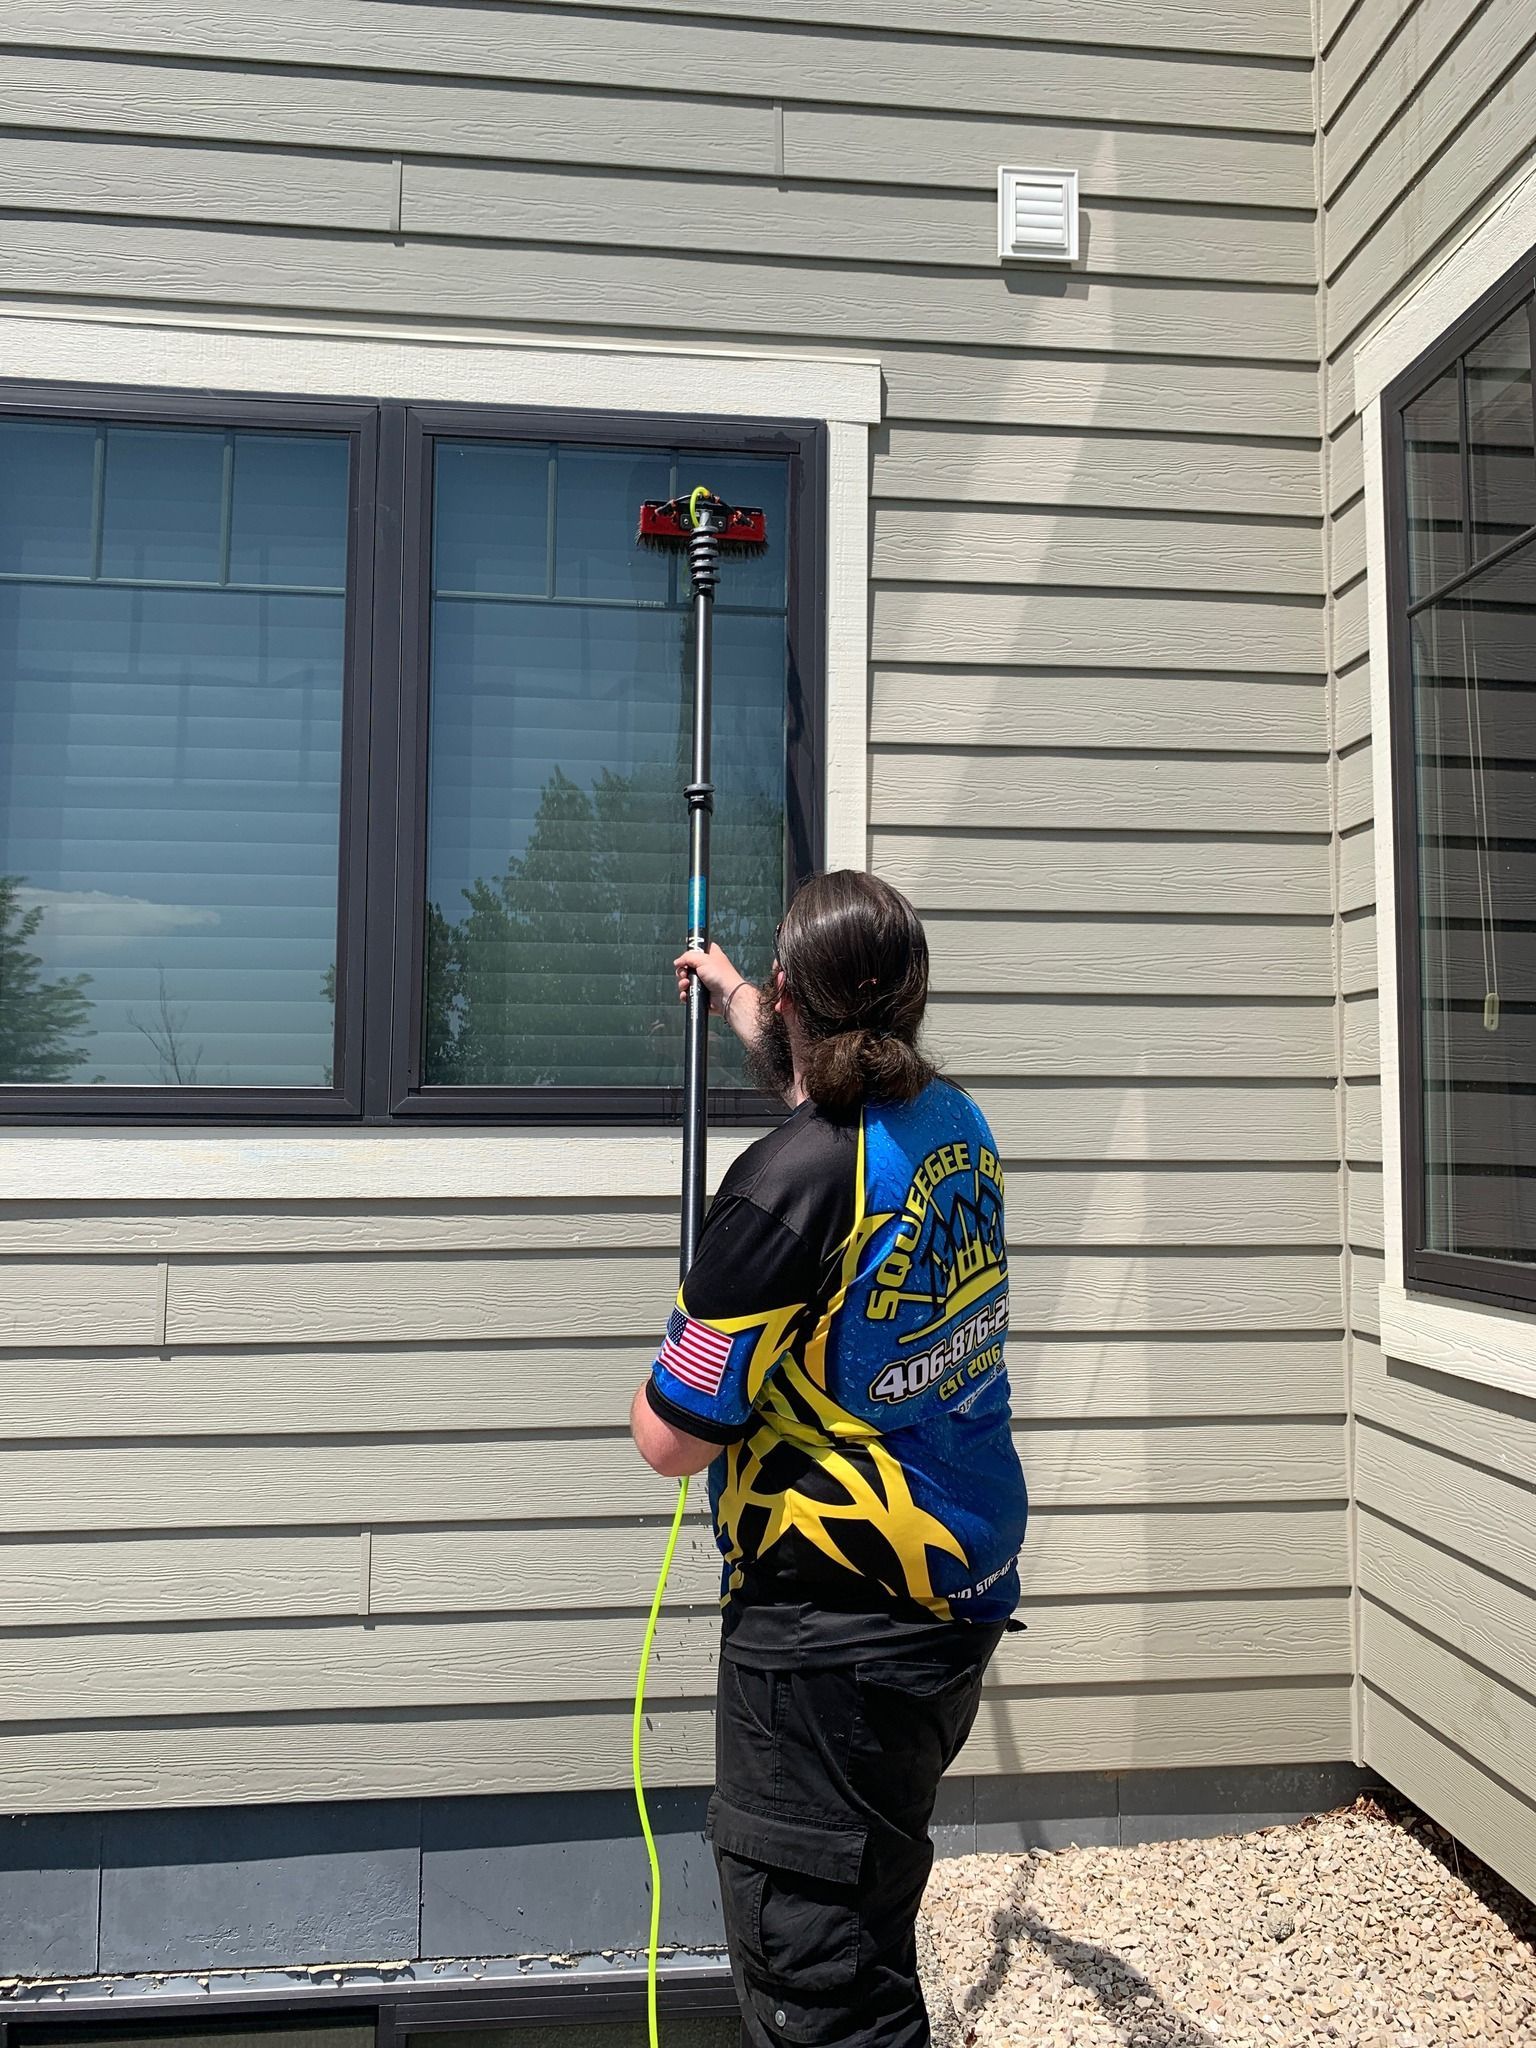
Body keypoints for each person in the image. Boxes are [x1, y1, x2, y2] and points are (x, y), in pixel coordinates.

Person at [629, 869, 1029, 2048]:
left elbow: (667, 1438)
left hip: (829, 1651)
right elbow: (833, 1067)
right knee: (866, 1914)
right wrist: (734, 990)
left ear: (804, 995)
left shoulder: (785, 1184)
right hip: (945, 1602)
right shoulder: (955, 1122)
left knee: (826, 1992)